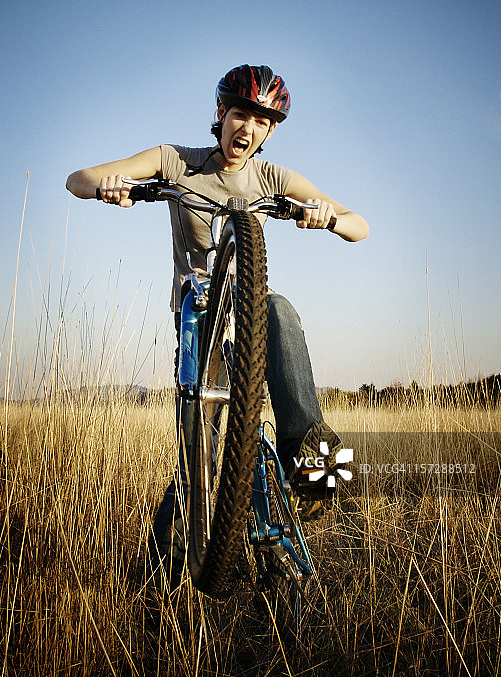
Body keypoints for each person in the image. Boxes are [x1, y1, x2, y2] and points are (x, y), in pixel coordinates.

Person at [66, 64, 369, 590]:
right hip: (198, 317)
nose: (247, 129)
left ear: (270, 130)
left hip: (247, 313)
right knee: (199, 454)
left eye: (260, 121)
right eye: (239, 115)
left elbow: (360, 227)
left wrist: (328, 216)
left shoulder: (271, 178)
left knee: (279, 307)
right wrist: (112, 186)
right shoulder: (176, 162)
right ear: (221, 116)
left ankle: (308, 447)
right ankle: (163, 572)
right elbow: (78, 180)